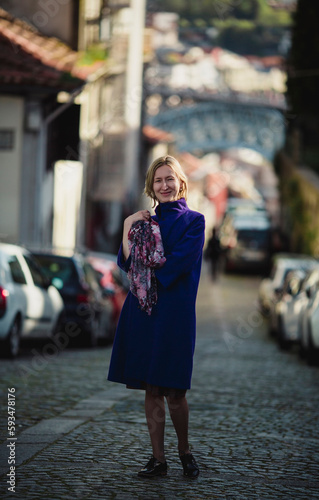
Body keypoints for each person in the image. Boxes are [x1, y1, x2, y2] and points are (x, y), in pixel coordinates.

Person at [107, 155, 205, 479]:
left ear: (180, 182)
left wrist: (142, 261)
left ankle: (185, 452)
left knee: (176, 392)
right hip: (143, 314)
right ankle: (158, 459)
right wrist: (126, 226)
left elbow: (174, 266)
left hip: (175, 316)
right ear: (151, 186)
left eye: (169, 179)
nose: (164, 185)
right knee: (151, 390)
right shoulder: (141, 222)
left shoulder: (195, 222)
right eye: (158, 180)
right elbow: (126, 262)